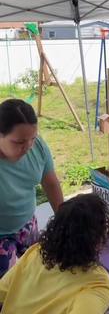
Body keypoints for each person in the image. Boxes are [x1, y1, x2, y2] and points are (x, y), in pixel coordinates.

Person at [0, 193, 109, 314]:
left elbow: (2, 291)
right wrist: (98, 304)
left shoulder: (36, 252)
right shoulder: (97, 284)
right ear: (98, 240)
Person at [0, 99, 64, 277]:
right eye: (19, 141)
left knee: (40, 273)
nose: (28, 146)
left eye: (32, 138)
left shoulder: (38, 147)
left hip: (27, 224)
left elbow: (50, 183)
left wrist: (64, 218)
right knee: (8, 291)